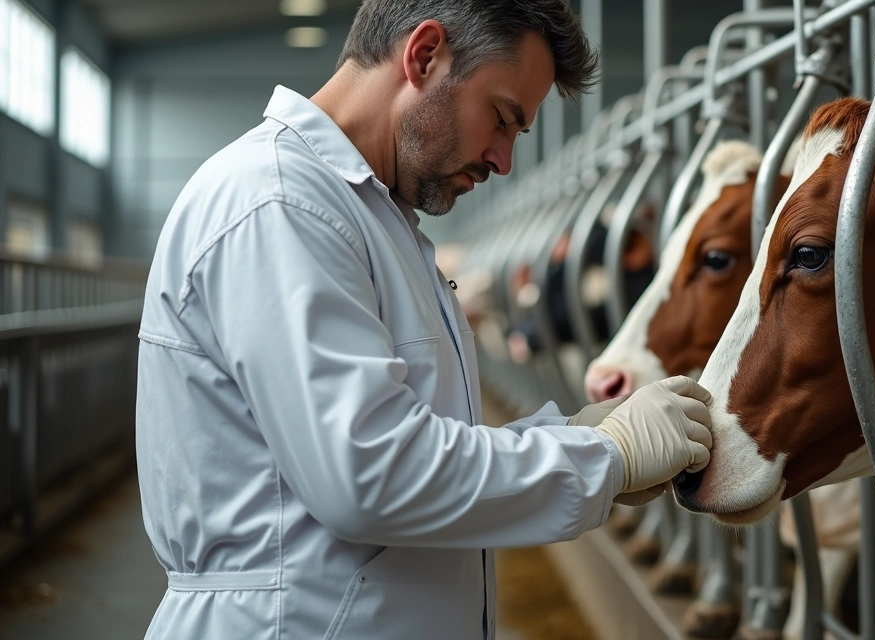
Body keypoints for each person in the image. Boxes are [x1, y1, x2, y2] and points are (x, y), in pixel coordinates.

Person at [134, 1, 713, 638]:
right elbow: (371, 474)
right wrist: (604, 456)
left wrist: (572, 434)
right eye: (502, 118)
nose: (504, 160)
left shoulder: (372, 220)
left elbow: (402, 440)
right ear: (424, 55)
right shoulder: (281, 203)